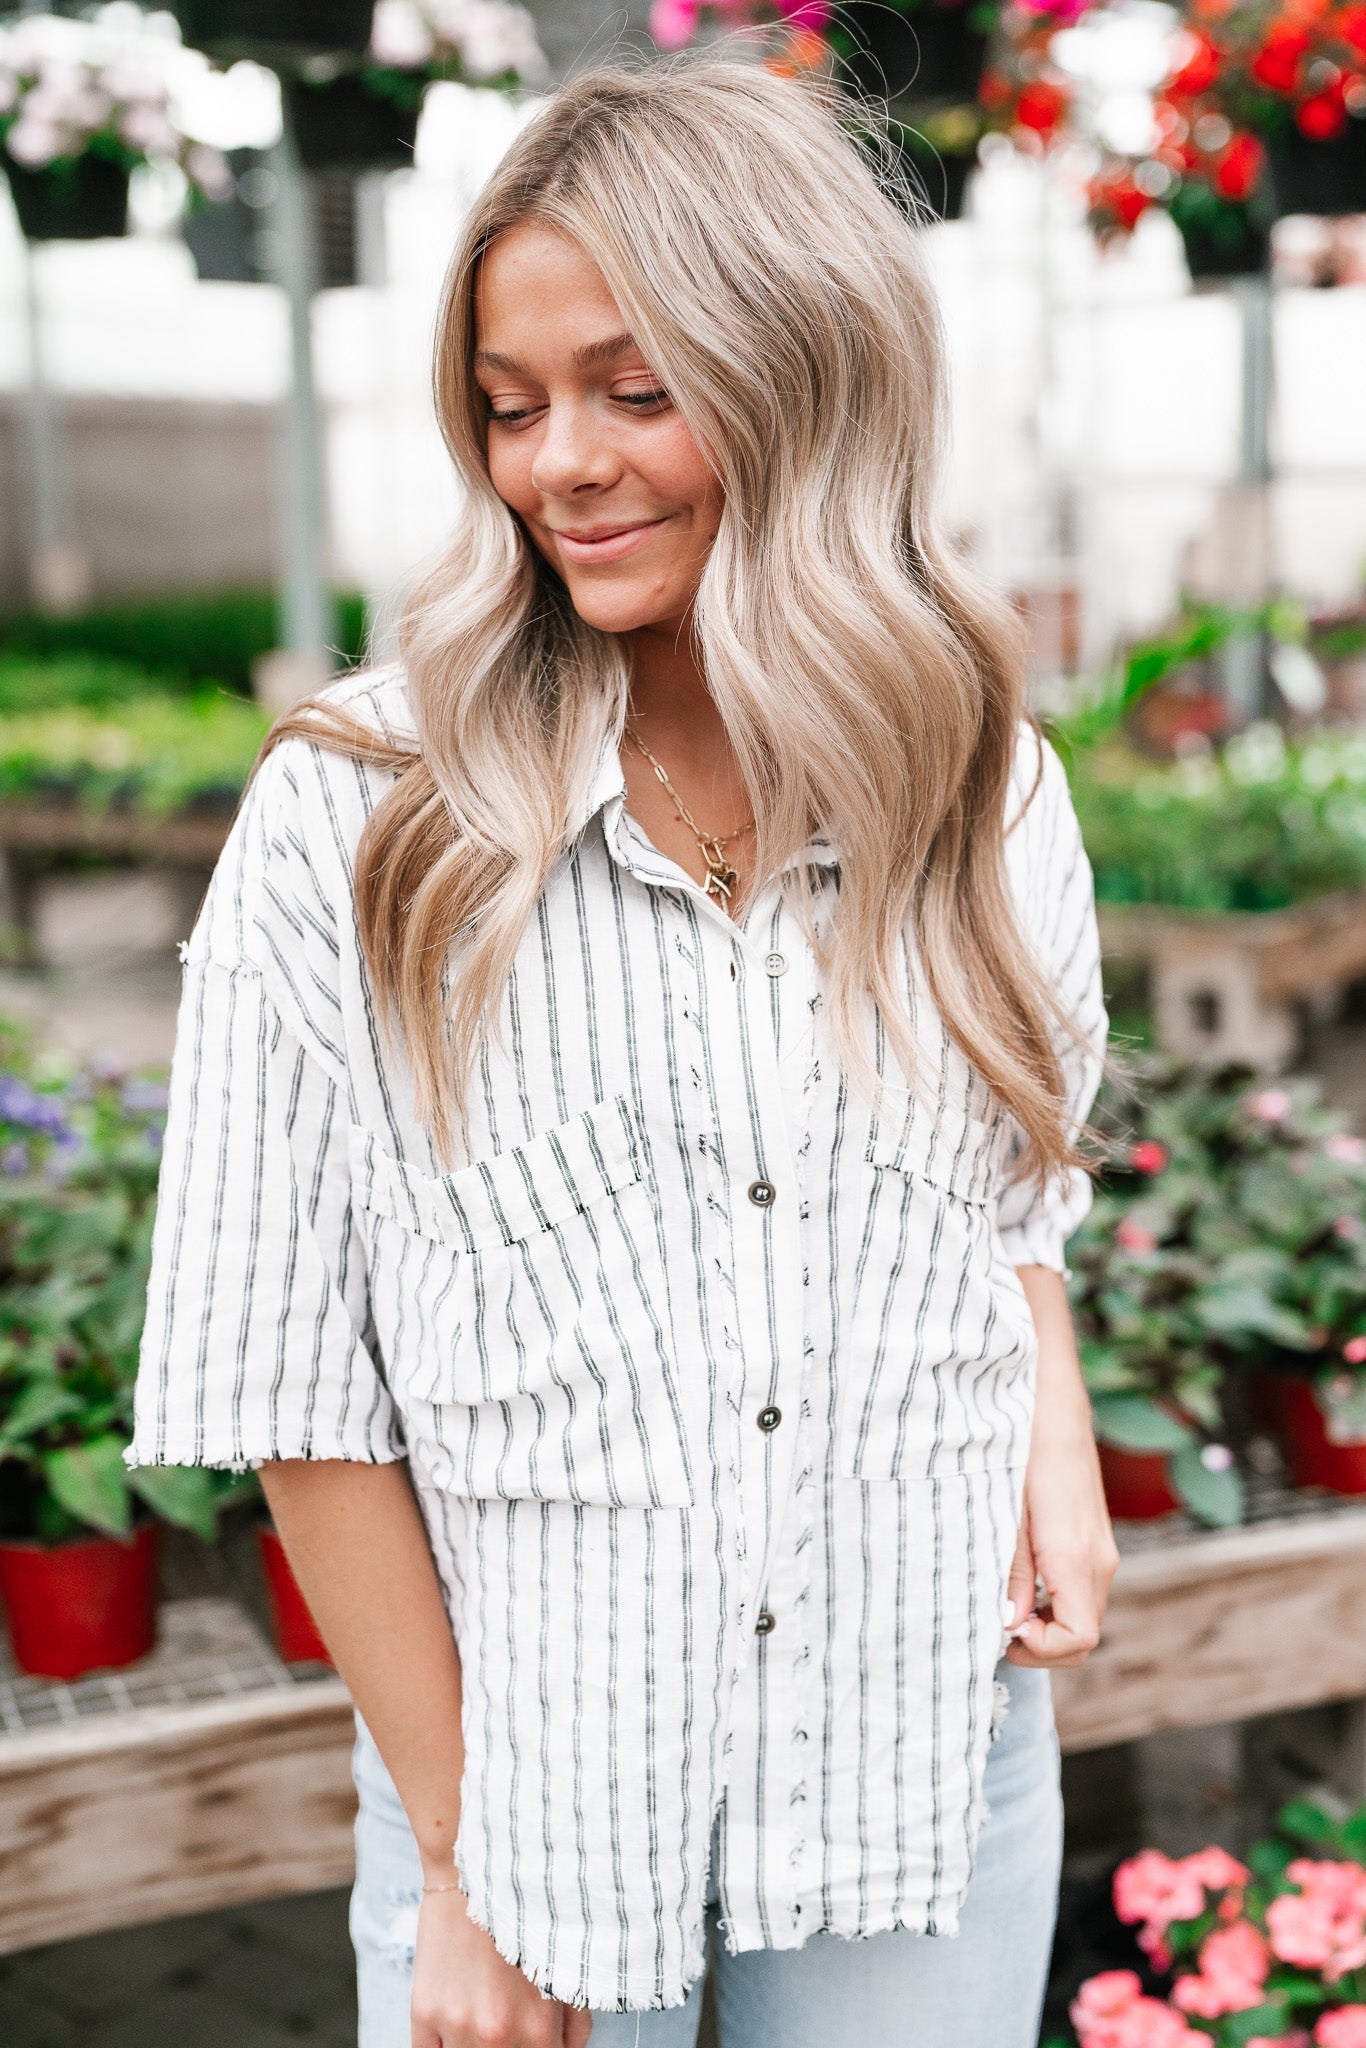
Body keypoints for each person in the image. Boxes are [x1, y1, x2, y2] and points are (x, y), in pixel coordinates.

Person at [129, 55, 1116, 2048]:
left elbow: (1016, 1170)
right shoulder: (359, 812)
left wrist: (1053, 1418)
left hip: (915, 1773)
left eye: (633, 390)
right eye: (510, 406)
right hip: (530, 1810)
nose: (556, 461)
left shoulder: (976, 784)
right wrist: (462, 1853)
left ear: (800, 375)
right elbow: (297, 1389)